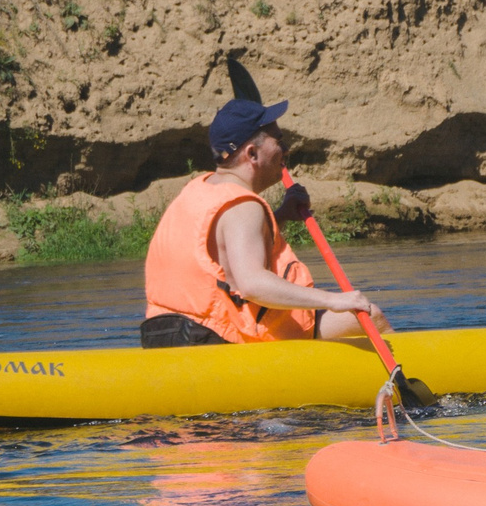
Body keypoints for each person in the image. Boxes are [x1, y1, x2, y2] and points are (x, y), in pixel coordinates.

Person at [140, 98, 385, 347]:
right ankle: (410, 382)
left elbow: (226, 247)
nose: (286, 149)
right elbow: (252, 284)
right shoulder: (244, 206)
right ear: (252, 153)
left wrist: (279, 216)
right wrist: (333, 300)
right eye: (278, 140)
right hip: (217, 342)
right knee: (369, 316)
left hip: (162, 336)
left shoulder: (197, 190)